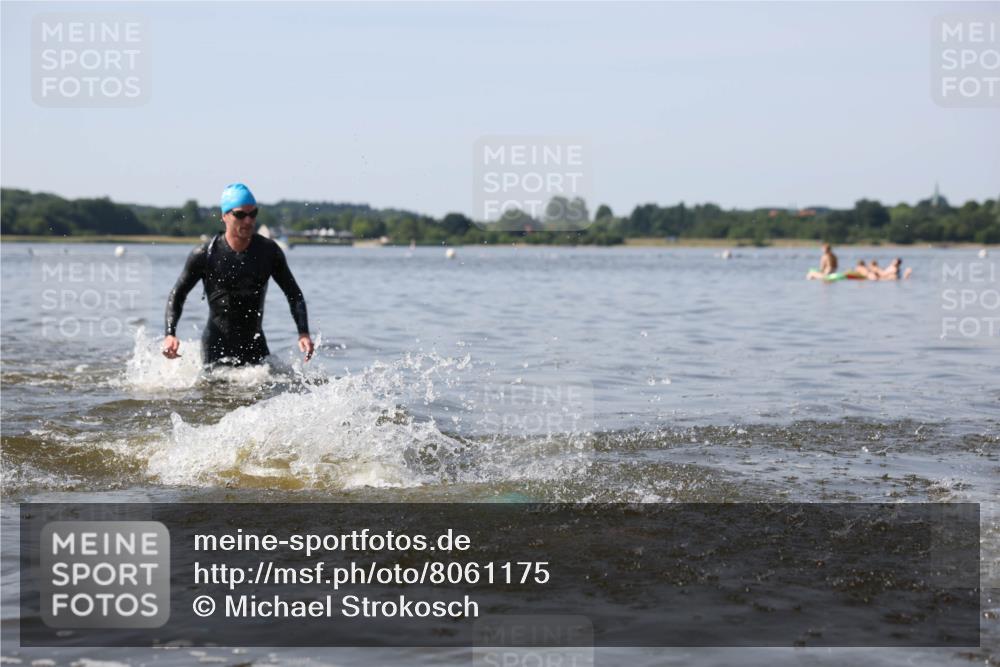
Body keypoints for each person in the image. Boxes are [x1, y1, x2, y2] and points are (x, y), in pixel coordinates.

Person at [162, 183, 315, 366]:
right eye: (240, 215)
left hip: (255, 346)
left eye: (253, 214)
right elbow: (177, 294)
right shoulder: (205, 254)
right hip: (215, 348)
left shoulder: (268, 252)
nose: (248, 221)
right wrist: (170, 334)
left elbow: (293, 293)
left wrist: (303, 333)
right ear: (225, 216)